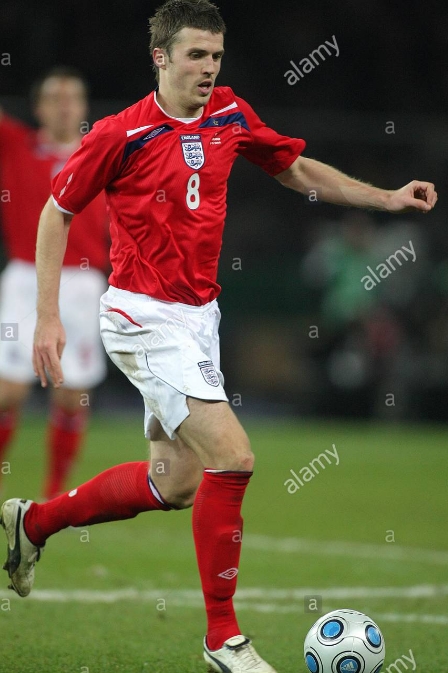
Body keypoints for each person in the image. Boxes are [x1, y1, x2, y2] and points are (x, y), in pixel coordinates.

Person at [0, 2, 437, 672]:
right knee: (234, 457)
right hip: (142, 316)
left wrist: (385, 198)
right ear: (161, 57)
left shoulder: (231, 113)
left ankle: (33, 522)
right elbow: (55, 213)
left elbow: (294, 167)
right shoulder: (120, 134)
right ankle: (222, 638)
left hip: (200, 318)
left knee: (173, 482)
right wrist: (49, 316)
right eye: (196, 55)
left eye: (216, 56)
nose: (209, 68)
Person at [0, 67, 109, 500]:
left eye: (72, 98)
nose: (64, 107)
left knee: (71, 395)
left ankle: (54, 498)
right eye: (54, 98)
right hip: (26, 279)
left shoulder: (101, 153)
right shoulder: (16, 146)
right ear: (38, 108)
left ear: (83, 107)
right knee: (8, 391)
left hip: (82, 284)